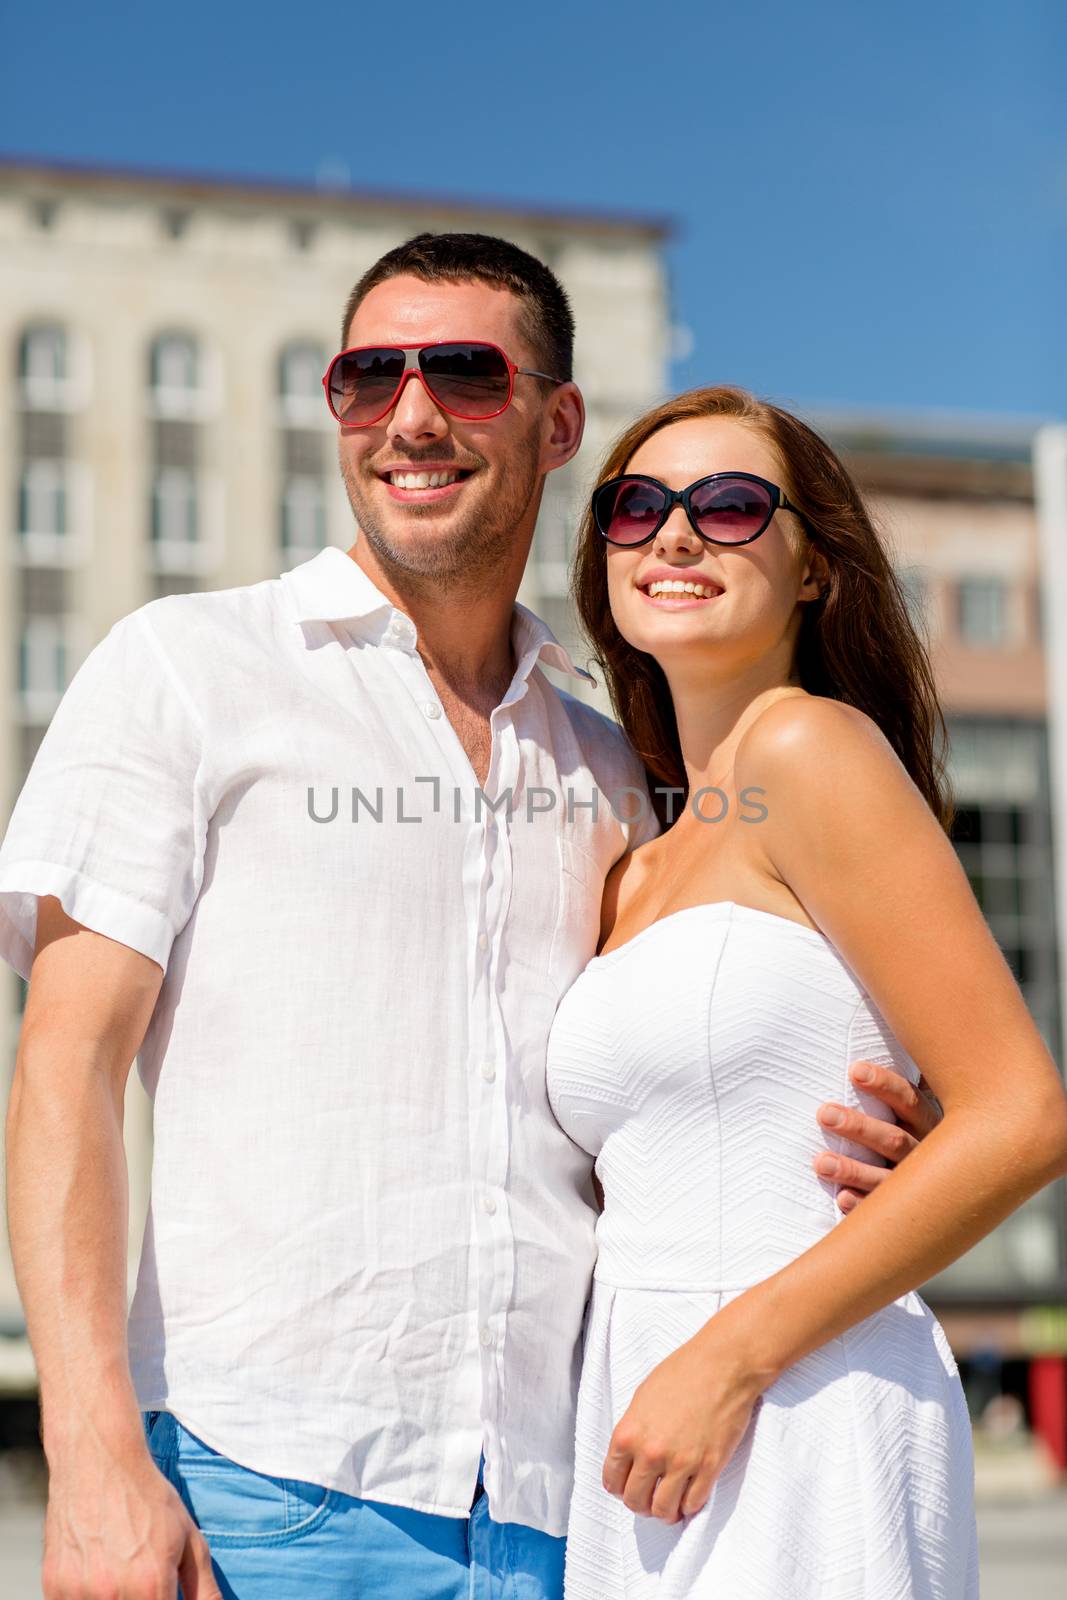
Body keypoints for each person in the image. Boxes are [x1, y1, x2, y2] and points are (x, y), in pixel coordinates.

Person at [1, 238, 937, 1600]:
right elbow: (63, 1071)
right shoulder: (185, 670)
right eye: (367, 374)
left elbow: (664, 1084)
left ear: (557, 421)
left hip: (578, 1510)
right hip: (263, 1495)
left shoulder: (616, 770)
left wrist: (859, 1140)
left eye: (463, 371)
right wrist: (88, 1457)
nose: (412, 413)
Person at [545, 384, 1067, 1598]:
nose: (673, 534)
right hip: (639, 1423)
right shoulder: (634, 853)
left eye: (727, 506)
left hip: (790, 1398)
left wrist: (727, 1359)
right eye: (636, 506)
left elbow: (1023, 1114)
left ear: (814, 567)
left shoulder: (808, 747)